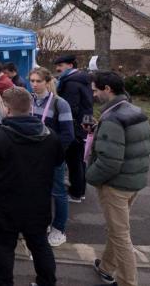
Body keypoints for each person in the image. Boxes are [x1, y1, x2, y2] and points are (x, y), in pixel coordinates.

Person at [0, 87, 64, 286]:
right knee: (39, 245)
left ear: (7, 108)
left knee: (4, 246)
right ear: (29, 108)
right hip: (38, 203)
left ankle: (4, 283)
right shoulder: (50, 135)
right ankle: (47, 282)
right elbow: (57, 162)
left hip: (4, 204)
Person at [87, 71, 150, 286]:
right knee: (117, 230)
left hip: (115, 186)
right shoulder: (135, 111)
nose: (94, 94)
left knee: (120, 236)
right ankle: (106, 267)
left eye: (96, 90)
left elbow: (109, 162)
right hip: (133, 181)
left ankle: (127, 282)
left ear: (107, 89)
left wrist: (90, 176)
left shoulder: (113, 118)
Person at [28, 67, 75, 247]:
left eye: (38, 81)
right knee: (39, 191)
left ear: (47, 82)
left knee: (58, 192)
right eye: (32, 81)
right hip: (33, 157)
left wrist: (51, 153)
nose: (34, 84)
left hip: (52, 157)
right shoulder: (29, 100)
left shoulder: (59, 103)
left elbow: (67, 135)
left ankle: (59, 229)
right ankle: (44, 222)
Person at [54, 54, 94, 203]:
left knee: (74, 161)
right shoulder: (83, 80)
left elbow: (70, 108)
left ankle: (76, 193)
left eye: (61, 65)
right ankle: (80, 190)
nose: (58, 69)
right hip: (83, 125)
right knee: (79, 161)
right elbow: (88, 105)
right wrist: (87, 127)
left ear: (70, 65)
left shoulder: (70, 83)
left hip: (73, 127)